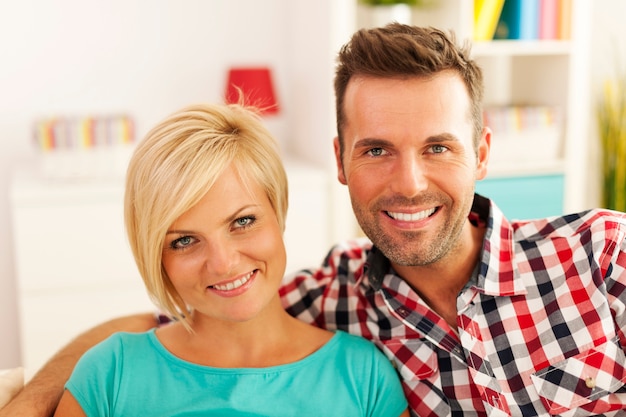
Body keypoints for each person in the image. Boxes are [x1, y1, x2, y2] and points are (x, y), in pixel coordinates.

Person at [3, 22, 626, 417]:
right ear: (340, 161)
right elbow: (168, 324)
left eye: (437, 147)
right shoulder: (333, 302)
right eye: (377, 149)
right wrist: (31, 402)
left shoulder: (603, 253)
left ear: (482, 153)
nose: (409, 183)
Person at [49, 103, 409, 417]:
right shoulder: (110, 374)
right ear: (156, 256)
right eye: (185, 241)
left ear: (279, 211)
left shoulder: (364, 379)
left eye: (242, 222)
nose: (222, 263)